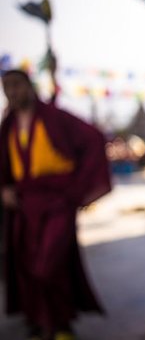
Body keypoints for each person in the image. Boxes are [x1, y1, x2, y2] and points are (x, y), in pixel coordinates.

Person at [0, 69, 111, 340]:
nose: (13, 92)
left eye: (17, 86)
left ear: (29, 87)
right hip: (25, 205)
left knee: (49, 263)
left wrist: (78, 189)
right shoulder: (8, 124)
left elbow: (94, 139)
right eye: (7, 87)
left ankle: (61, 323)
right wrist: (4, 189)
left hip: (57, 201)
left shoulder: (55, 117)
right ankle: (40, 321)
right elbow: (3, 164)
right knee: (26, 265)